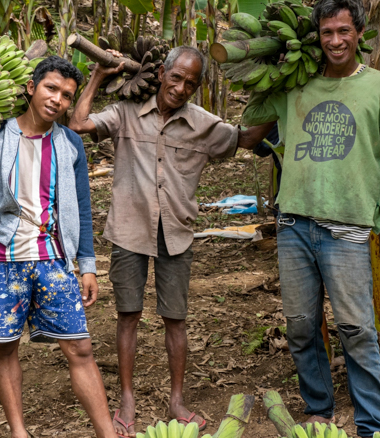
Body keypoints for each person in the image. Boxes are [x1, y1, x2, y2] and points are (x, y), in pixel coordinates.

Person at [68, 47, 273, 437]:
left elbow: (245, 140)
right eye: (176, 78)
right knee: (128, 315)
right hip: (129, 229)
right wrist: (97, 75)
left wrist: (275, 97)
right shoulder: (128, 112)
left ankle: (176, 399)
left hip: (176, 233)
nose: (180, 88)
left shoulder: (203, 124)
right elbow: (77, 124)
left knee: (175, 319)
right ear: (161, 73)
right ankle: (127, 397)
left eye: (190, 83)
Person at [243, 0, 380, 438]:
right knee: (300, 326)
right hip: (295, 224)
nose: (335, 40)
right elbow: (252, 113)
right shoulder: (298, 85)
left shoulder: (379, 86)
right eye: (326, 33)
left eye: (343, 31)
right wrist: (279, 69)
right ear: (315, 38)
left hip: (348, 229)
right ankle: (319, 407)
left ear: (358, 33)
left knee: (356, 329)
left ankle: (371, 423)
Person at [0, 55, 118, 438]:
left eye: (66, 95)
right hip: (3, 258)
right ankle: (19, 432)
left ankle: (107, 434)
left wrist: (88, 264)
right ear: (31, 87)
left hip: (52, 257)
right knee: (6, 346)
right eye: (51, 88)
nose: (58, 99)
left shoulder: (71, 143)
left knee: (80, 349)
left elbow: (80, 205)